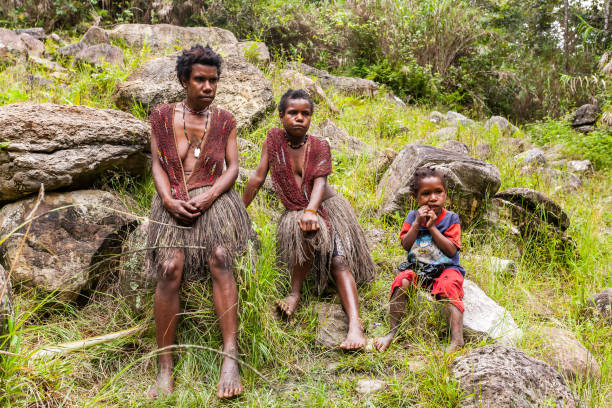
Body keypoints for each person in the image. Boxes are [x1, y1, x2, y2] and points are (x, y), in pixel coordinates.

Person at [146, 44, 253, 399]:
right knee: (169, 266)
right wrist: (166, 200)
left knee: (221, 257)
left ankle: (229, 354)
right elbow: (158, 164)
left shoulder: (224, 121)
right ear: (183, 80)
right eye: (200, 79)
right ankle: (165, 365)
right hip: (173, 198)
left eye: (213, 80)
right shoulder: (161, 117)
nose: (208, 87)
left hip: (215, 197)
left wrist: (209, 196)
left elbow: (233, 168)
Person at [242, 89, 376, 350]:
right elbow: (258, 178)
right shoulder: (272, 141)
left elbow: (319, 182)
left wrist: (311, 211)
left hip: (325, 206)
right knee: (302, 231)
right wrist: (239, 209)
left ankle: (355, 326)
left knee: (338, 260)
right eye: (293, 113)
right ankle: (294, 293)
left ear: (311, 118)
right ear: (281, 116)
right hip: (296, 210)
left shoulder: (319, 145)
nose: (299, 118)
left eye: (306, 114)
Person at [374, 167, 465, 353]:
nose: (433, 198)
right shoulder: (411, 217)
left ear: (445, 194)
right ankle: (392, 332)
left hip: (446, 269)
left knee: (449, 286)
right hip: (419, 268)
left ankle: (457, 341)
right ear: (416, 198)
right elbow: (406, 245)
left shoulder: (451, 219)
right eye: (426, 194)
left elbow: (450, 249)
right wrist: (417, 223)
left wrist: (432, 228)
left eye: (438, 192)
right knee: (402, 279)